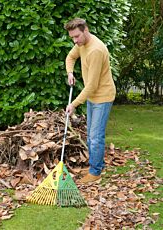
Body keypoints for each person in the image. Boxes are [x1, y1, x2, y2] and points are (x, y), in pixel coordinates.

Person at [64, 18, 116, 183]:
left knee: (96, 136)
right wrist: (70, 73)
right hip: (93, 96)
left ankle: (95, 173)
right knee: (91, 136)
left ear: (85, 30)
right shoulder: (82, 44)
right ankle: (96, 165)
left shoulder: (95, 50)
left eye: (77, 36)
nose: (75, 40)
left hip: (103, 96)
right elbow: (70, 58)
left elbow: (92, 86)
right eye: (72, 37)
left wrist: (73, 104)